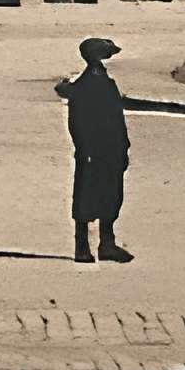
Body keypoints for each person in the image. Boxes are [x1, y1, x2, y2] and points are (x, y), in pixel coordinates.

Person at [62, 35, 133, 264]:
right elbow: (77, 123)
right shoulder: (88, 85)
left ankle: (107, 244)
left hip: (110, 149)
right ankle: (82, 247)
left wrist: (123, 146)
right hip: (94, 151)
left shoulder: (100, 80)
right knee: (86, 197)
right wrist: (84, 148)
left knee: (111, 195)